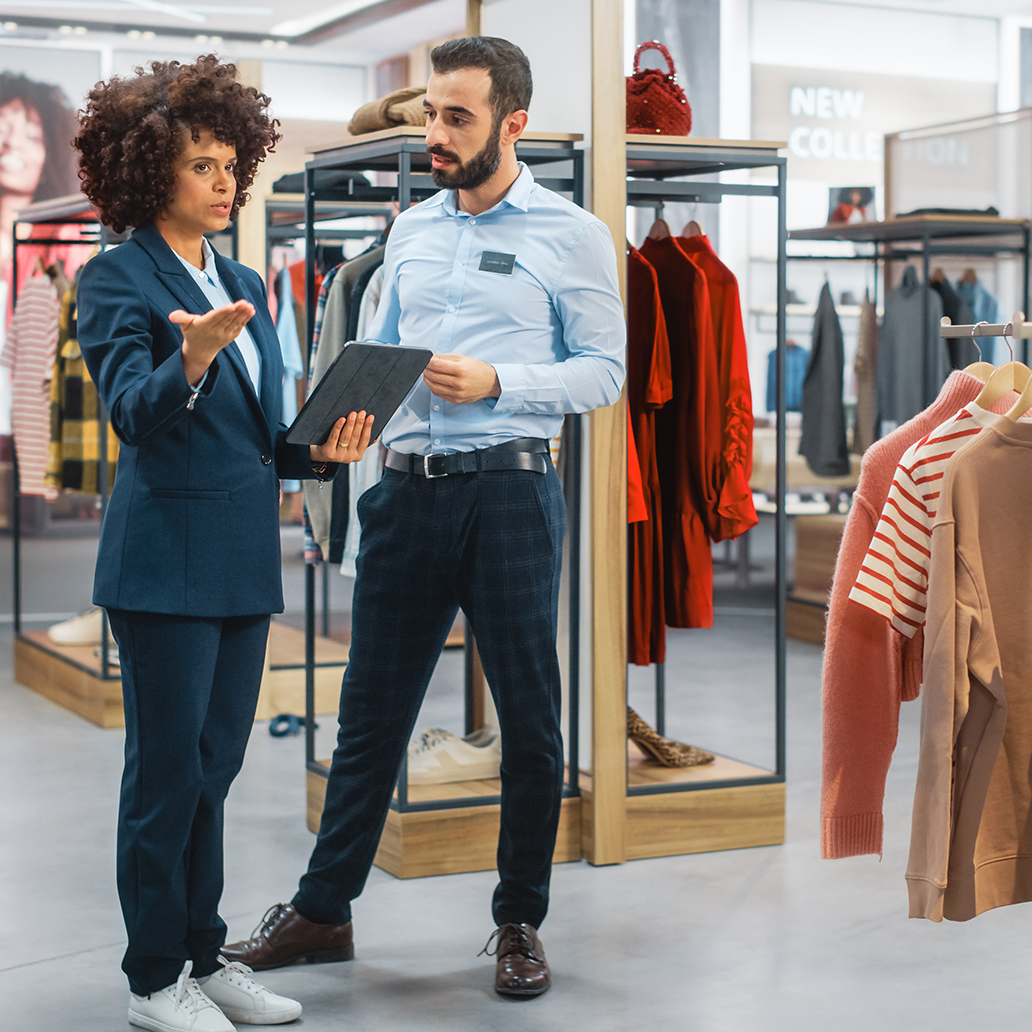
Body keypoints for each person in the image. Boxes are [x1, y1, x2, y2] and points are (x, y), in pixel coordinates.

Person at [222, 36, 625, 999]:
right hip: (403, 490)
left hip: (512, 492)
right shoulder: (411, 230)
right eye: (431, 114)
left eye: (457, 117)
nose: (435, 135)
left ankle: (519, 919)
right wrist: (348, 418)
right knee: (369, 712)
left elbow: (605, 373)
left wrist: (502, 380)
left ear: (512, 124)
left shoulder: (572, 235)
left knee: (530, 718)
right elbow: (385, 355)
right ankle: (324, 911)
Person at [73, 56, 374, 1032]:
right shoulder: (116, 278)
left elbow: (261, 440)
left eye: (230, 163)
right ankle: (155, 979)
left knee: (216, 771)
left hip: (245, 561)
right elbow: (130, 413)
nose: (224, 181)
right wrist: (190, 360)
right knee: (165, 783)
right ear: (152, 170)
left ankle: (206, 956)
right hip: (162, 571)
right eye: (204, 164)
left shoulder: (241, 278)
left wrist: (320, 449)